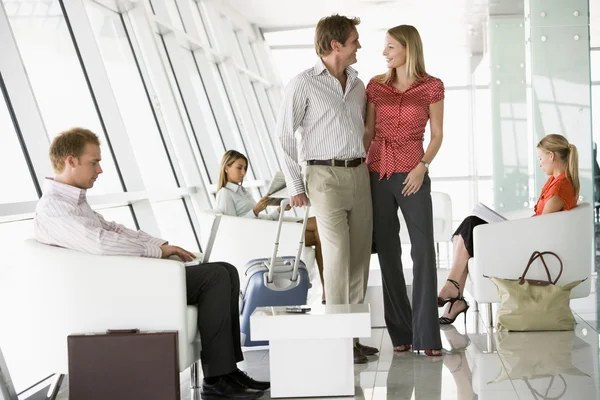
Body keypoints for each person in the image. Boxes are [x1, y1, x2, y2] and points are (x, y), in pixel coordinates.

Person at [33, 128, 269, 400]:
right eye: (94, 162)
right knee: (215, 276)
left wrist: (162, 244)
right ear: (70, 161)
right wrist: (156, 250)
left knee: (226, 270)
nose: (100, 170)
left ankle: (228, 372)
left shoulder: (73, 202)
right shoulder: (55, 208)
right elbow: (101, 243)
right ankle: (216, 380)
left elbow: (114, 229)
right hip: (115, 290)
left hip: (125, 279)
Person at [276, 14, 377, 364]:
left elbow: (364, 132)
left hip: (358, 173)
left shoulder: (358, 85)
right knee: (336, 257)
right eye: (354, 40)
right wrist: (296, 186)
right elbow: (285, 138)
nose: (359, 46)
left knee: (359, 258)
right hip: (323, 177)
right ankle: (337, 339)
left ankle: (351, 337)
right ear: (335, 45)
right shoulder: (302, 84)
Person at [438, 134, 579, 325]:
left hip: (530, 245)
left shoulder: (561, 186)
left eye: (540, 158)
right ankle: (455, 297)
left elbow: (542, 229)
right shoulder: (555, 181)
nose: (539, 163)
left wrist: (508, 228)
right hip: (526, 238)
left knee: (471, 223)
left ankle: (454, 291)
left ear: (552, 156)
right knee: (466, 231)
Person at [363, 25, 445, 356]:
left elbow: (437, 134)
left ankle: (427, 335)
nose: (385, 52)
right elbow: (368, 131)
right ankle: (401, 331)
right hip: (377, 173)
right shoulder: (375, 86)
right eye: (385, 47)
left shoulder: (432, 87)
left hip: (413, 172)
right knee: (388, 252)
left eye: (391, 46)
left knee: (423, 250)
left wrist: (422, 166)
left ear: (408, 49)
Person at [215, 150, 326, 304]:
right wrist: (255, 210)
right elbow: (233, 227)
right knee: (320, 227)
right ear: (226, 168)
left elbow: (261, 219)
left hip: (268, 228)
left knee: (320, 231)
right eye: (239, 168)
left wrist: (278, 211)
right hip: (264, 235)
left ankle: (327, 289)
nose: (243, 172)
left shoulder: (243, 192)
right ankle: (327, 288)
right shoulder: (225, 194)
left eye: (245, 168)